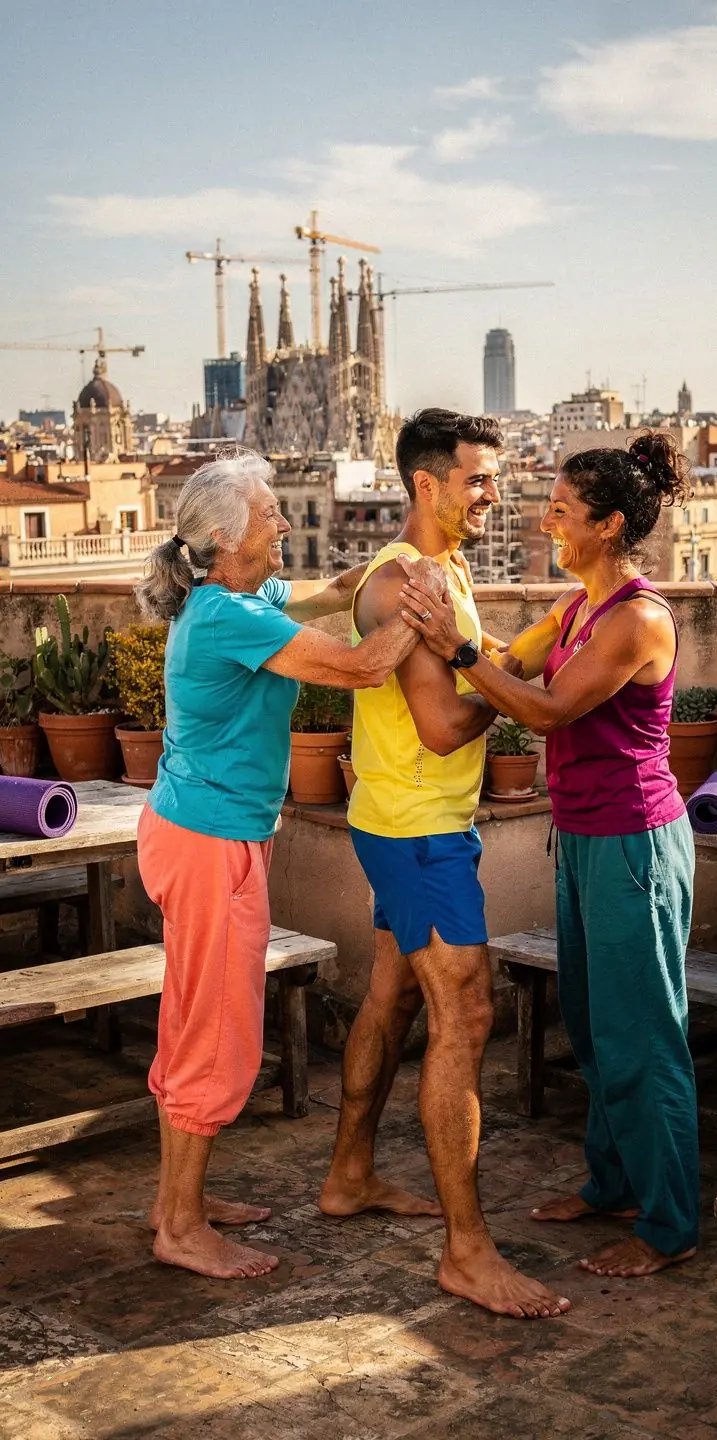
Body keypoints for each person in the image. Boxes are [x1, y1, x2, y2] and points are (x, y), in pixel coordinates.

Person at [135, 449, 444, 1281]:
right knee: (216, 1033)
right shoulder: (228, 618)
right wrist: (427, 606)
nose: (283, 522)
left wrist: (393, 562)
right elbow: (364, 666)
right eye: (270, 513)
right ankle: (182, 1228)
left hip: (197, 831)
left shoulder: (240, 596)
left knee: (190, 1020)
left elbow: (333, 591)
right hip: (208, 845)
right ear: (227, 538)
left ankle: (175, 1202)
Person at [399, 431, 699, 1280]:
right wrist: (438, 628)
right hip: (585, 836)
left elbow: (546, 708)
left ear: (608, 526)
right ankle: (614, 1185)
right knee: (599, 1029)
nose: (546, 522)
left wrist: (457, 650)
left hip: (635, 846)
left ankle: (669, 1224)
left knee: (644, 1037)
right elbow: (511, 661)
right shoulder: (576, 609)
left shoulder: (638, 619)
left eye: (562, 511)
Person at [320, 409, 571, 1320]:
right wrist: (512, 692)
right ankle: (467, 1252)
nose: (494, 493)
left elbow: (476, 661)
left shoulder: (446, 571)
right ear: (426, 484)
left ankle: (349, 1176)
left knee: (392, 995)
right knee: (465, 1011)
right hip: (418, 829)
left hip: (409, 821)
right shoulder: (403, 584)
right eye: (479, 479)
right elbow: (440, 724)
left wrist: (520, 648)